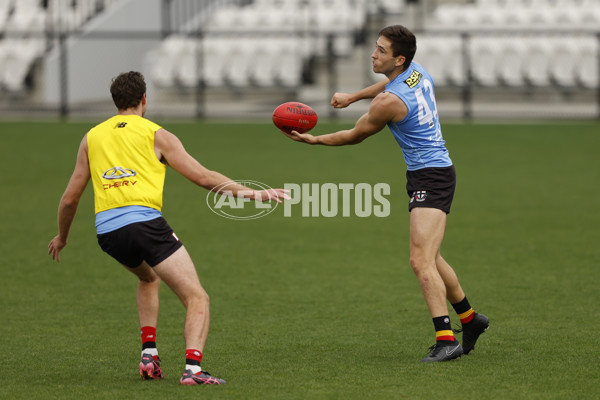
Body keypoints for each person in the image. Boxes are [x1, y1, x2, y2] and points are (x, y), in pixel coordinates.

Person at [48, 71, 289, 384]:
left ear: (115, 102)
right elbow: (204, 177)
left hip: (107, 231)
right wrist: (256, 194)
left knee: (148, 277)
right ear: (144, 100)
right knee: (197, 298)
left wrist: (63, 238)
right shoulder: (156, 134)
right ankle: (193, 371)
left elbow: (69, 200)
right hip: (145, 224)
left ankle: (149, 354)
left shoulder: (91, 137)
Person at [284, 25, 489, 362]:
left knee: (420, 261)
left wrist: (314, 140)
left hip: (430, 178)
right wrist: (353, 97)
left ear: (399, 58)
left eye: (380, 50)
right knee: (432, 257)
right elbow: (387, 84)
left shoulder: (389, 104)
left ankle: (445, 339)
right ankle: (470, 319)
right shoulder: (415, 72)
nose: (373, 54)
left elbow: (354, 135)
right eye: (375, 47)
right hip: (435, 171)